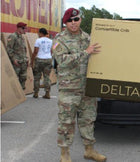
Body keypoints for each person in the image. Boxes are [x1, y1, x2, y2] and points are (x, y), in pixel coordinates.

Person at [52, 8, 106, 162]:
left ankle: (89, 151)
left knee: (88, 121)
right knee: (66, 122)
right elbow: (62, 60)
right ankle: (64, 154)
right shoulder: (59, 39)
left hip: (87, 88)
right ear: (65, 22)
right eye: (70, 21)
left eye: (76, 20)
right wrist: (86, 52)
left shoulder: (88, 38)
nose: (73, 23)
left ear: (80, 20)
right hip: (69, 90)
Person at [31, 28, 53, 99]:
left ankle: (36, 93)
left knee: (37, 77)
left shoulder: (38, 40)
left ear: (40, 33)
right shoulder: (51, 41)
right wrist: (50, 55)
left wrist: (32, 61)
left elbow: (35, 51)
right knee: (46, 77)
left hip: (39, 60)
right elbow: (54, 49)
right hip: (48, 60)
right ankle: (47, 93)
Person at [6, 22, 28, 90]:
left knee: (23, 77)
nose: (25, 30)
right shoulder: (13, 36)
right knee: (15, 77)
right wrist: (13, 59)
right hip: (17, 62)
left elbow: (23, 49)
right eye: (23, 28)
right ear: (19, 28)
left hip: (23, 61)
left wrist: (26, 58)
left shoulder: (21, 37)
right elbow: (9, 49)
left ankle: (22, 92)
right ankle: (15, 93)